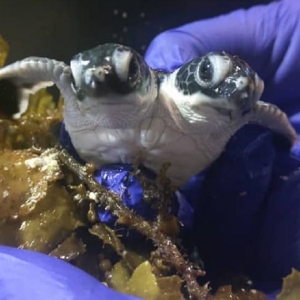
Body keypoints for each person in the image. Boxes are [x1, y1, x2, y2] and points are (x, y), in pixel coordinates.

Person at [1, 0, 300, 299]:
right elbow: (46, 72)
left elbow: (268, 117)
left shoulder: (230, 107)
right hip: (83, 165)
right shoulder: (70, 79)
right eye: (88, 75)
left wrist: (289, 139)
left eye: (247, 91)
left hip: (182, 197)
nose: (101, 80)